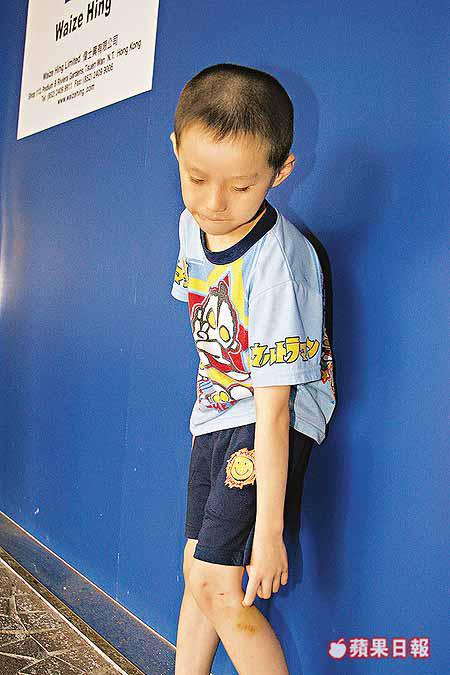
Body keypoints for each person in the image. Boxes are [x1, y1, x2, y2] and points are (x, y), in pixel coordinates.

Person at [169, 63, 336, 675]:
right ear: (177, 149)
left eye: (241, 186)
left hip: (272, 417)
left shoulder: (278, 266)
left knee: (220, 584)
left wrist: (267, 531)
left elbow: (275, 408)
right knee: (197, 572)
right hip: (219, 411)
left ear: (280, 171)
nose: (214, 203)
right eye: (196, 178)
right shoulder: (191, 226)